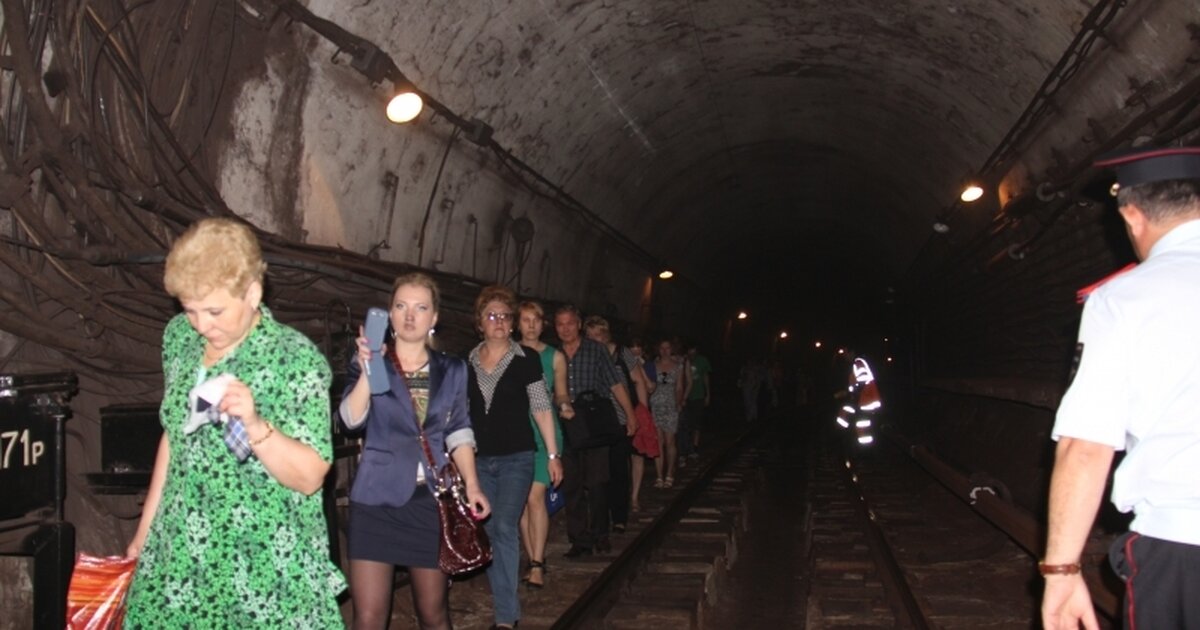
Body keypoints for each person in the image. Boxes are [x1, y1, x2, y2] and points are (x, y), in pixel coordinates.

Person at [124, 218, 345, 627]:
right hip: (182, 554)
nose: (202, 325)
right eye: (189, 309)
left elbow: (312, 476)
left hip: (261, 562)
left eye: (215, 311)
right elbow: (174, 439)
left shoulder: (293, 360)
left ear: (253, 293)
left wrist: (255, 423)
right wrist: (145, 531)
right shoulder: (180, 340)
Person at [1042, 146, 1200, 630]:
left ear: (1132, 215)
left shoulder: (1123, 298)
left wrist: (1061, 570)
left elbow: (1086, 448)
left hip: (1182, 545)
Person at [340, 272, 491, 630]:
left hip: (428, 502)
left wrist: (472, 484)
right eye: (401, 306)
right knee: (370, 618)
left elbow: (458, 429)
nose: (410, 316)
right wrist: (366, 369)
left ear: (434, 318)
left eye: (420, 308)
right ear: (389, 314)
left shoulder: (453, 370)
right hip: (375, 501)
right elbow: (349, 420)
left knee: (433, 614)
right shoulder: (369, 361)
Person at [466, 286, 562, 629]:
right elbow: (463, 413)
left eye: (505, 316)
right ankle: (506, 605)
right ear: (480, 322)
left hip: (517, 458)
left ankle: (506, 617)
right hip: (480, 460)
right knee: (492, 530)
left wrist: (552, 454)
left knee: (505, 525)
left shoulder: (526, 359)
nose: (499, 322)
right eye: (491, 315)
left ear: (511, 323)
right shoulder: (469, 361)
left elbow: (541, 406)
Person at [554, 305, 637, 558]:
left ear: (578, 324)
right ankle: (580, 539)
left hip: (594, 422)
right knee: (572, 485)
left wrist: (630, 416)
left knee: (598, 482)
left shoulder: (596, 350)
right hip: (565, 425)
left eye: (570, 323)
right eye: (560, 324)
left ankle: (601, 534)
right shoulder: (552, 353)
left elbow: (615, 383)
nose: (566, 328)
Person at [516, 300, 569, 590]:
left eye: (536, 319)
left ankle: (536, 563)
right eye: (526, 320)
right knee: (523, 501)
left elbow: (560, 393)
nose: (532, 325)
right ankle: (534, 557)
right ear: (517, 323)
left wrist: (565, 406)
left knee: (535, 497)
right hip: (515, 435)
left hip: (545, 433)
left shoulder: (554, 357)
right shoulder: (507, 354)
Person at [583, 316, 652, 533]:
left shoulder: (622, 354)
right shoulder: (587, 356)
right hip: (598, 421)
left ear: (606, 334)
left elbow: (638, 380)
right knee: (599, 471)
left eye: (598, 334)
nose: (595, 339)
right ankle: (600, 517)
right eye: (590, 335)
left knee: (619, 467)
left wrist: (642, 410)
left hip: (622, 419)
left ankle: (620, 516)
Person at [649, 339, 686, 488]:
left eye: (667, 348)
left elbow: (679, 387)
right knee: (658, 442)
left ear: (672, 349)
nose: (665, 351)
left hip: (670, 406)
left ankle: (670, 473)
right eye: (662, 348)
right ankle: (659, 475)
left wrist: (678, 403)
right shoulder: (653, 366)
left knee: (670, 441)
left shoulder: (678, 367)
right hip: (655, 405)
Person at [678, 344, 711, 463]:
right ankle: (685, 449)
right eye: (690, 352)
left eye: (694, 352)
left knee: (696, 423)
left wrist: (708, 394)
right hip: (685, 397)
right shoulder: (682, 360)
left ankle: (694, 447)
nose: (692, 355)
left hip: (698, 395)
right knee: (685, 424)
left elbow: (705, 377)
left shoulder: (702, 361)